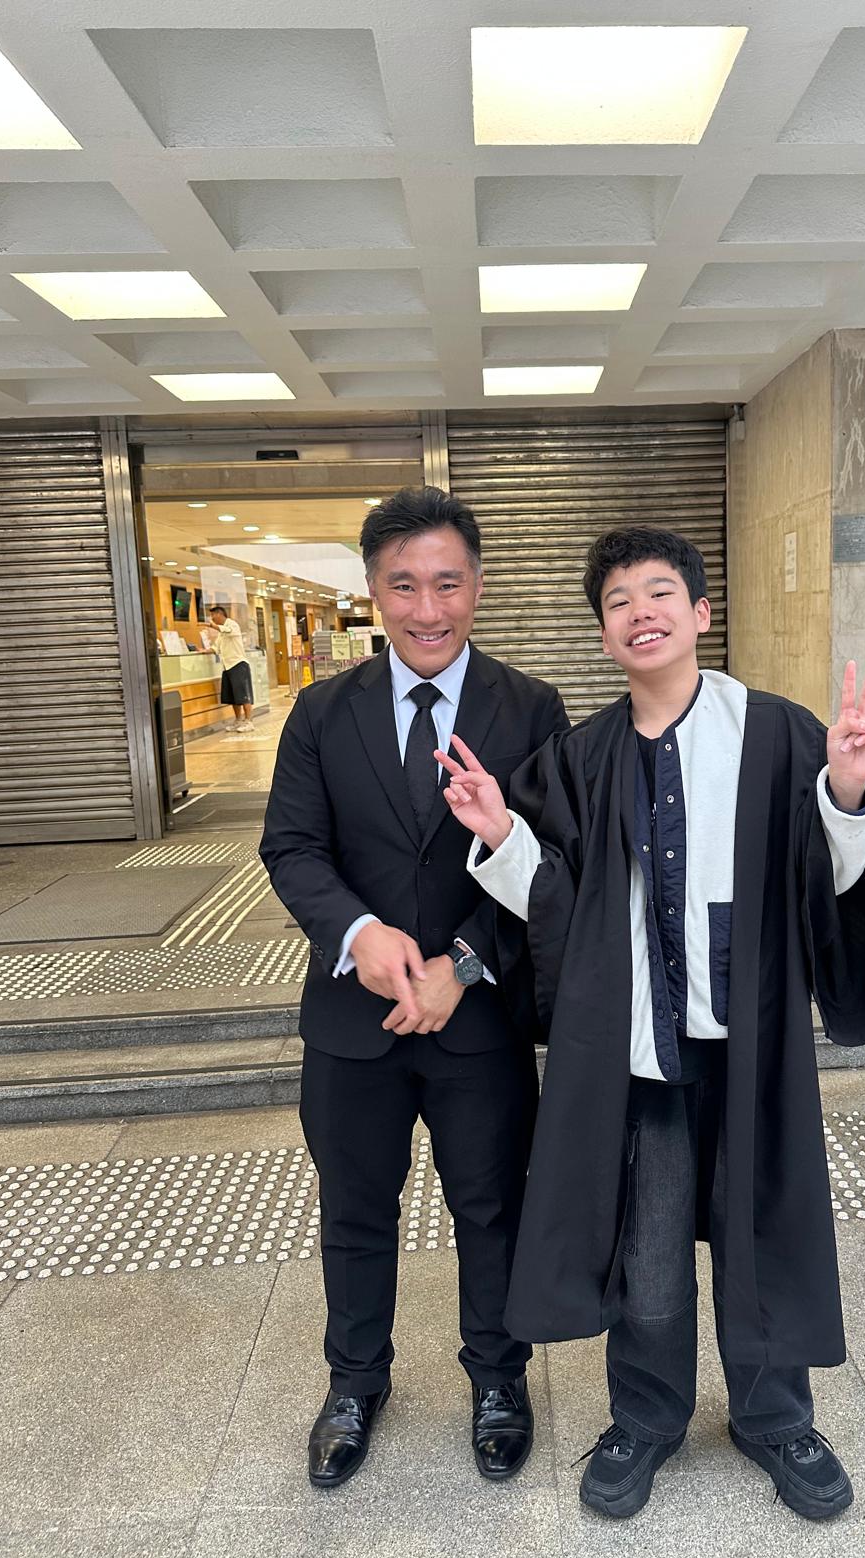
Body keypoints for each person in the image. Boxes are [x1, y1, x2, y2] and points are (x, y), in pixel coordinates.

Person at [436, 527, 865, 1522]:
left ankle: (775, 1418)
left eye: (659, 593)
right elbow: (557, 902)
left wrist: (848, 790)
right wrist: (502, 832)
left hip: (752, 1048)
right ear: (604, 634)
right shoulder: (581, 758)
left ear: (699, 613)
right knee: (646, 1253)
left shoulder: (775, 734)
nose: (639, 612)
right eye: (618, 601)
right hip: (645, 1057)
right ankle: (646, 1416)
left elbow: (827, 878)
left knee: (761, 1230)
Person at [259, 486, 568, 1491]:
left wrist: (462, 964)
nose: (427, 609)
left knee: (492, 1206)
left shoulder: (531, 708)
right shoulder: (322, 712)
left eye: (447, 583)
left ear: (477, 585)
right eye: (404, 585)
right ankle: (355, 1383)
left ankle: (499, 1378)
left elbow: (551, 863)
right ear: (373, 589)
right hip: (353, 1021)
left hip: (479, 1022)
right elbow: (293, 847)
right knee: (355, 1210)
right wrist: (359, 933)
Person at [203, 604, 254, 732]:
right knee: (234, 697)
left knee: (243, 695)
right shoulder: (220, 634)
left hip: (238, 665)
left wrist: (213, 627)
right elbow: (216, 648)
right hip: (227, 667)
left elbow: (228, 631)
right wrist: (203, 651)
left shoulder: (232, 625)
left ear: (220, 614)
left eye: (213, 615)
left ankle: (249, 721)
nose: (212, 618)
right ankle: (238, 720)